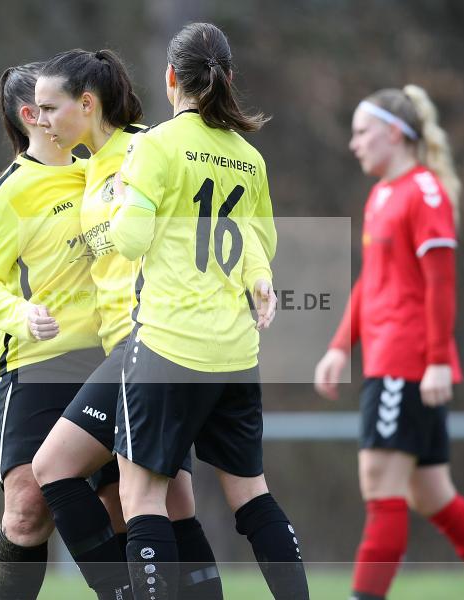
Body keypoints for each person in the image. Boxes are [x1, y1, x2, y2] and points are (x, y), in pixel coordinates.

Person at [313, 85, 464, 600]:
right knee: (433, 496)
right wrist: (338, 346)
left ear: (394, 134)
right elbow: (370, 283)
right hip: (389, 361)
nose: (353, 144)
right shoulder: (382, 195)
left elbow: (441, 284)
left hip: (406, 363)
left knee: (381, 488)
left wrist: (438, 361)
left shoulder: (425, 192)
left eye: (361, 132)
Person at [109, 22, 310, 600]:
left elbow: (129, 242)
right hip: (235, 353)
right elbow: (259, 245)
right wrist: (260, 282)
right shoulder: (249, 158)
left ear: (170, 78)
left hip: (170, 344)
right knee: (252, 495)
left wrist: (124, 195)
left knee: (142, 497)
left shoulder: (155, 146)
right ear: (227, 79)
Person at [29, 49, 223, 600]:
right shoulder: (96, 163)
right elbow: (109, 237)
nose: (40, 121)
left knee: (54, 468)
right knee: (174, 502)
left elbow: (161, 232)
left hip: (150, 343)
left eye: (50, 108)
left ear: (86, 104)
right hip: (133, 346)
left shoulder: (142, 149)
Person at [0, 62, 110, 600]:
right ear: (33, 114)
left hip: (112, 357)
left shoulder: (103, 170)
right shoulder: (5, 196)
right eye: (53, 101)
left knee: (123, 503)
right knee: (28, 509)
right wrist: (22, 314)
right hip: (38, 366)